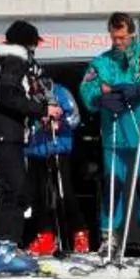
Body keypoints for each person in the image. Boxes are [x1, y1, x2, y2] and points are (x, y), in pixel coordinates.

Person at [80, 11, 140, 257]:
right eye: (114, 37)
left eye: (122, 37)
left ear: (132, 33)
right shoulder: (101, 62)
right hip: (114, 133)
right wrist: (99, 98)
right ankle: (109, 234)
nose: (118, 42)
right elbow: (87, 89)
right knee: (114, 183)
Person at [0, 22, 48, 272]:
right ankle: (1, 252)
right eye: (33, 44)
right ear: (25, 43)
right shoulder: (12, 61)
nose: (34, 49)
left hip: (8, 133)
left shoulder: (6, 61)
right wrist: (40, 109)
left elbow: (10, 95)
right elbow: (6, 94)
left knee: (19, 191)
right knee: (14, 190)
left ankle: (7, 247)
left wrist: (37, 110)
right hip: (3, 134)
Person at [25, 76, 82, 255]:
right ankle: (45, 236)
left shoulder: (59, 92)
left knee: (64, 192)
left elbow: (75, 117)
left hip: (58, 148)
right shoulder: (25, 96)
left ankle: (79, 233)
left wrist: (59, 122)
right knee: (40, 196)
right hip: (35, 150)